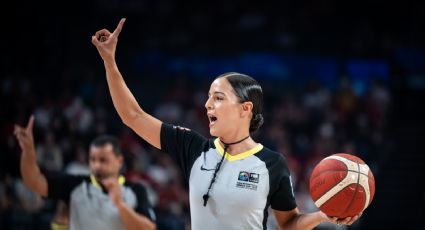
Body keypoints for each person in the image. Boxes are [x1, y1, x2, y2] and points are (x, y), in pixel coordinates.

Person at [91, 18, 362, 229]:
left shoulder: (272, 164)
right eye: (208, 97)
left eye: (218, 98)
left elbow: (288, 225)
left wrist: (321, 216)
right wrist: (109, 62)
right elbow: (132, 116)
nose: (207, 104)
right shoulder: (193, 148)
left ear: (245, 109)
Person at [13, 117, 156, 230]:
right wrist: (29, 152)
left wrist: (120, 205)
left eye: (103, 160)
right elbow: (34, 182)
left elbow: (149, 228)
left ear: (119, 160)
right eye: (92, 159)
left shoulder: (136, 190)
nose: (96, 165)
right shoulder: (74, 185)